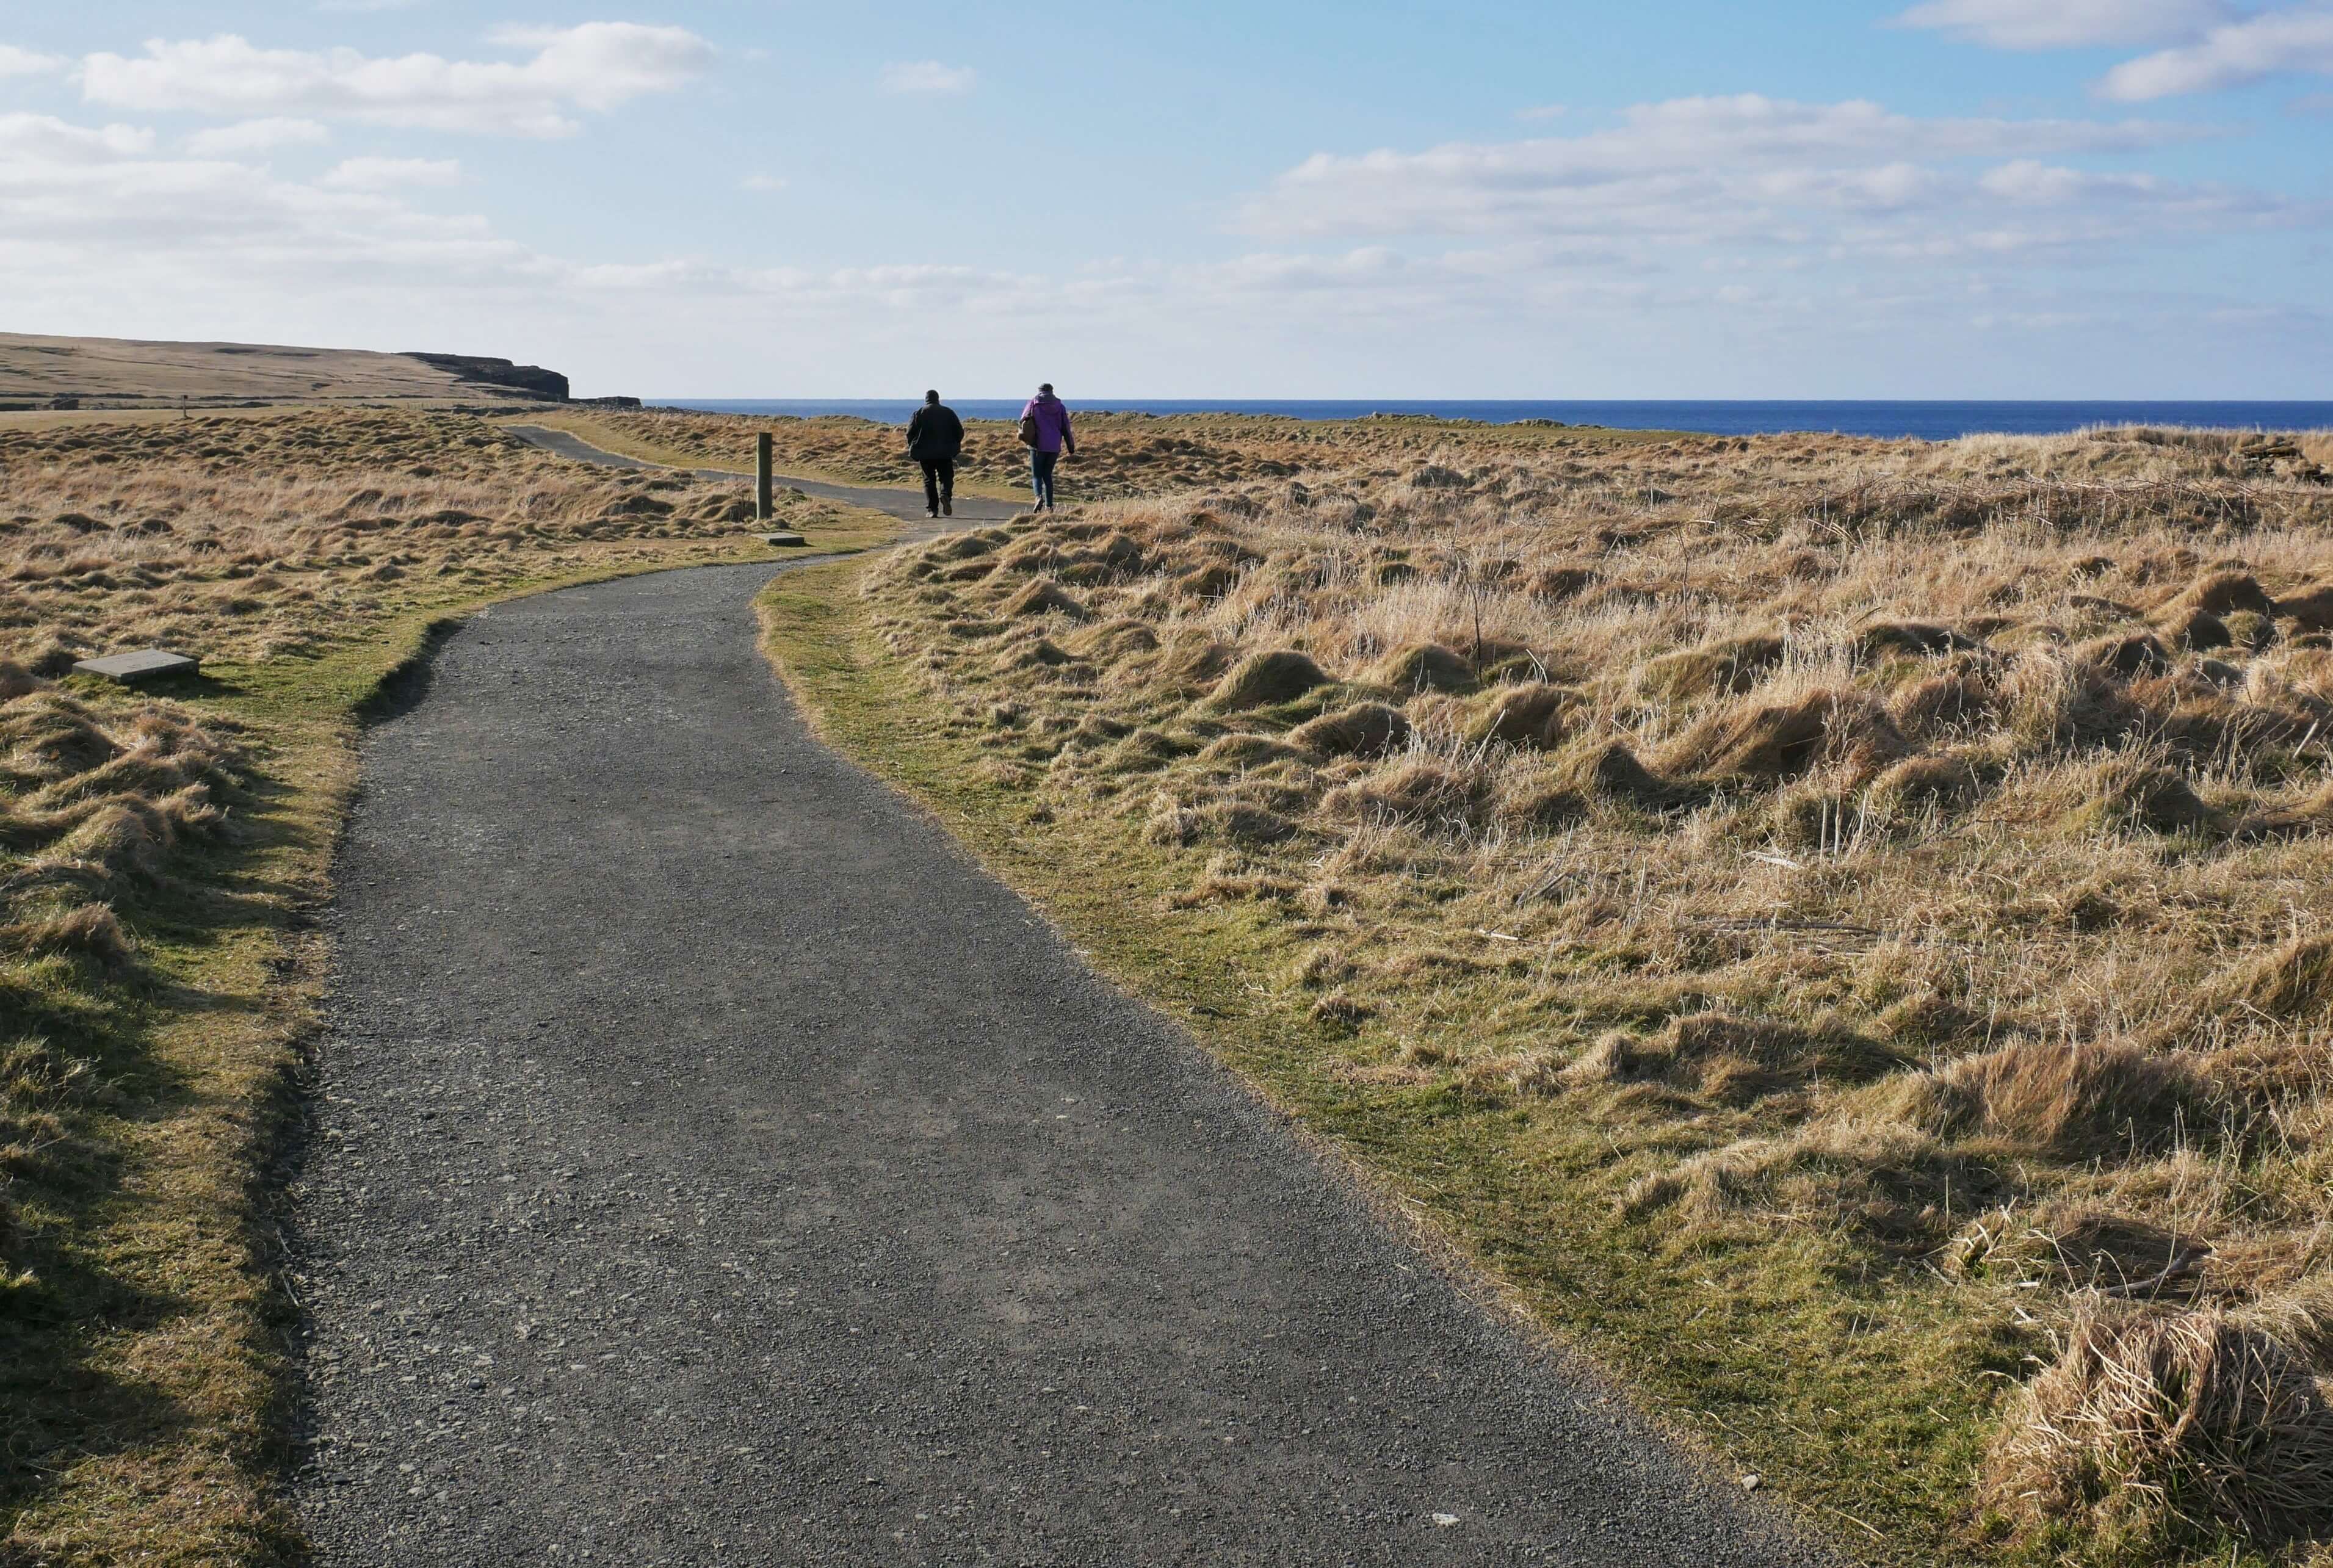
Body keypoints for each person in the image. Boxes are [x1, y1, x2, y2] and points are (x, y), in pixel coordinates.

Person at [905, 389, 964, 518]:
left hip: (925, 453)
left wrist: (913, 447)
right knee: (947, 477)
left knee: (929, 481)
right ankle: (945, 494)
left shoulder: (919, 413)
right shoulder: (948, 412)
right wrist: (955, 445)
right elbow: (959, 432)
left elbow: (910, 433)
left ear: (926, 399)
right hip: (945, 452)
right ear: (938, 399)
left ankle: (933, 510)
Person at [1019, 382, 1074, 511]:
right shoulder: (1060, 407)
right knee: (1048, 475)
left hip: (1037, 445)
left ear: (1040, 391)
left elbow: (1022, 420)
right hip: (1054, 447)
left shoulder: (1033, 403)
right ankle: (1050, 507)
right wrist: (1070, 446)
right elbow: (1066, 428)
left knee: (1037, 475)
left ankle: (1038, 497)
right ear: (1052, 391)